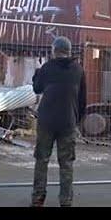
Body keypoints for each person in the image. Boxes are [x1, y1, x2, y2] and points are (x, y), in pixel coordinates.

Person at [30, 36, 86, 207]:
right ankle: (66, 200)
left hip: (47, 121)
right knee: (66, 163)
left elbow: (37, 88)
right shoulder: (78, 70)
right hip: (68, 122)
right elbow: (82, 98)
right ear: (69, 51)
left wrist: (37, 73)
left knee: (42, 160)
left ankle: (38, 198)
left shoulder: (47, 68)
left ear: (54, 51)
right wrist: (77, 119)